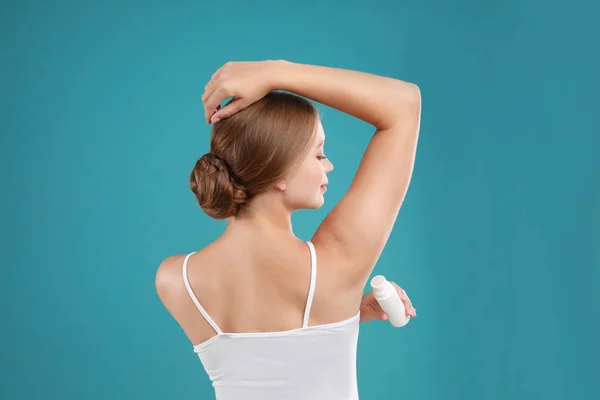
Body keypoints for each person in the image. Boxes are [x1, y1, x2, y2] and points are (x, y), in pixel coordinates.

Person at [155, 60, 422, 399]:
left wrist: (346, 315)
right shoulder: (337, 266)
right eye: (319, 154)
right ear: (280, 172)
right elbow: (403, 105)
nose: (329, 165)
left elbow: (264, 351)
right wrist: (275, 72)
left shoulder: (174, 280)